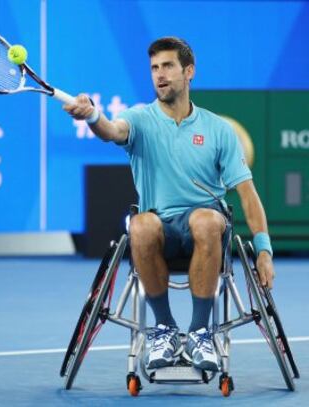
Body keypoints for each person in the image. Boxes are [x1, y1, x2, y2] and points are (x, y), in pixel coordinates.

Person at [64, 37, 274, 372]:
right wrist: (92, 116)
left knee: (206, 219)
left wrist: (263, 249)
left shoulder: (218, 130)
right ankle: (164, 329)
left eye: (168, 66)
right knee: (141, 223)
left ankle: (201, 332)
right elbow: (111, 131)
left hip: (205, 230)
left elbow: (247, 194)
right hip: (160, 231)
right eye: (154, 68)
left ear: (188, 71)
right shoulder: (140, 119)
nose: (160, 75)